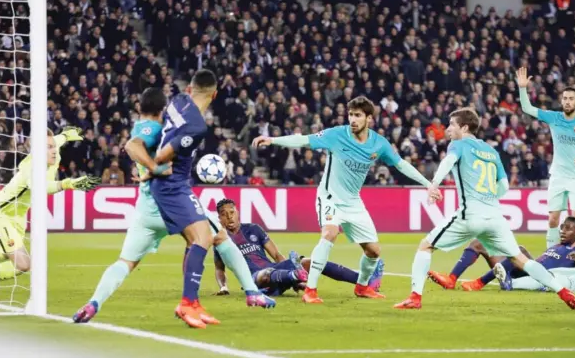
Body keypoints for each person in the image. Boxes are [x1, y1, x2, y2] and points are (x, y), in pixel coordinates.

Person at [394, 108, 575, 310]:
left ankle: (415, 297)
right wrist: (488, 197)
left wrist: (434, 185)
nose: (448, 129)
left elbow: (448, 162)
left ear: (464, 127)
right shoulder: (491, 151)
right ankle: (563, 292)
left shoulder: (457, 144)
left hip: (471, 214)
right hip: (495, 216)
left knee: (426, 246)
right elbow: (504, 186)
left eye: (452, 124)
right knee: (520, 259)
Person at [253, 96, 432, 304]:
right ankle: (310, 290)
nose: (352, 120)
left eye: (357, 115)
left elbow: (401, 165)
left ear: (368, 118)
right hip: (329, 197)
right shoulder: (336, 135)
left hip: (353, 202)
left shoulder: (379, 143)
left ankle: (362, 287)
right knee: (330, 232)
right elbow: (303, 139)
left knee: (373, 251)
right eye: (350, 115)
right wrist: (273, 140)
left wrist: (427, 184)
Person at [150, 70, 275, 330]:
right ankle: (187, 303)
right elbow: (163, 156)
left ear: (190, 88)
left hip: (176, 186)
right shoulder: (196, 126)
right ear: (215, 94)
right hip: (172, 186)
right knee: (204, 238)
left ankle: (196, 303)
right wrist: (152, 167)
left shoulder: (176, 103)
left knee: (215, 237)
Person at [73, 88, 172, 322]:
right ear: (162, 109)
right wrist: (156, 169)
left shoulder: (143, 127)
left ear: (140, 108)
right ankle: (250, 290)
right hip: (171, 203)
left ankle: (94, 302)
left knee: (124, 262)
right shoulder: (155, 129)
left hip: (145, 207)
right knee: (215, 237)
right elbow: (131, 145)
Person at [0, 128, 100, 301]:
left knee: (3, 252)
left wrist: (67, 134)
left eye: (53, 146)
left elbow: (59, 138)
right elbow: (41, 187)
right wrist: (68, 183)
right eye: (48, 147)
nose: (53, 150)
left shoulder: (52, 147)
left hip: (18, 217)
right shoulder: (31, 167)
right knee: (23, 264)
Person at [214, 198, 384, 297]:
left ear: (237, 212)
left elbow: (276, 255)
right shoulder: (221, 240)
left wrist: (289, 270)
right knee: (265, 275)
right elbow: (219, 269)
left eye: (232, 212)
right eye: (224, 214)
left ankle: (364, 280)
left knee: (312, 262)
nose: (229, 217)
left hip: (276, 270)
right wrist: (223, 287)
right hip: (255, 280)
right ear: (219, 219)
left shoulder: (253, 229)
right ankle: (294, 275)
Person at [517, 67, 575, 247]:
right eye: (565, 98)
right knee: (553, 220)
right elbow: (526, 108)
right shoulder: (554, 117)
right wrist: (522, 88)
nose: (567, 101)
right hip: (557, 175)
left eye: (571, 99)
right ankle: (552, 256)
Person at [460, 217, 575, 291]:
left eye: (568, 229)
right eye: (562, 227)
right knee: (483, 244)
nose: (563, 231)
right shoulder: (559, 245)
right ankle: (502, 276)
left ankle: (480, 282)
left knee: (519, 251)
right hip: (527, 270)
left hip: (537, 277)